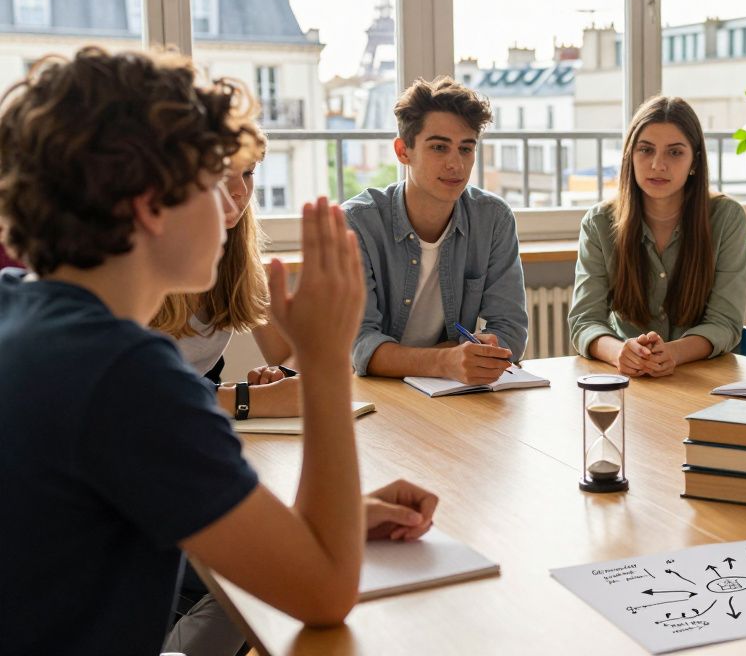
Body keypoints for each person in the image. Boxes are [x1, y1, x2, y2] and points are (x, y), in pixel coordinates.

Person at [0, 47, 437, 653]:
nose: (233, 206)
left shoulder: (17, 306)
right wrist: (325, 362)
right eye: (213, 182)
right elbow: (325, 592)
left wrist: (320, 521)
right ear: (151, 205)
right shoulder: (126, 375)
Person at [345, 76, 528, 384]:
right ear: (403, 151)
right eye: (439, 147)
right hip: (380, 394)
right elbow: (360, 346)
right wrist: (446, 359)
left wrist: (474, 355)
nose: (455, 164)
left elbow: (510, 330)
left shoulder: (493, 218)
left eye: (466, 149)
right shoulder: (357, 223)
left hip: (454, 393)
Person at [568, 96, 746, 377]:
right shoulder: (599, 223)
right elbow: (584, 321)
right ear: (630, 155)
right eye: (646, 150)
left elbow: (724, 322)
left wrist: (674, 352)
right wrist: (620, 353)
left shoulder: (727, 218)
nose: (658, 164)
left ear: (694, 161)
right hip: (629, 379)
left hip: (701, 379)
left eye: (675, 152)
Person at [151, 126, 301, 417]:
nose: (240, 191)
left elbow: (289, 356)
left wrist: (281, 377)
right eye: (222, 174)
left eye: (248, 173)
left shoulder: (236, 257)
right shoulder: (135, 261)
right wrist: (248, 400)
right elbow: (127, 394)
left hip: (193, 425)